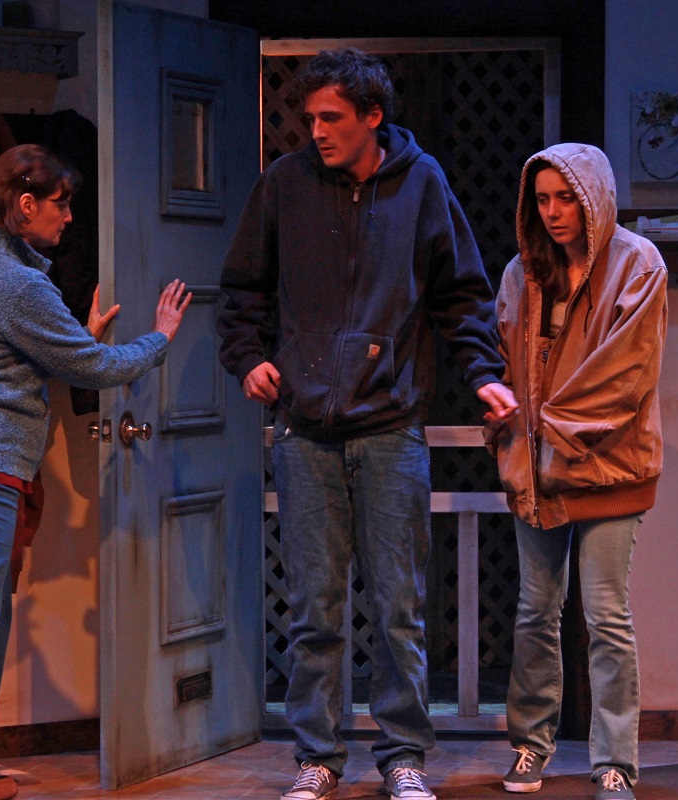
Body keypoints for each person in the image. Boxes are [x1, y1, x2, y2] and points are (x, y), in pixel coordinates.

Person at [217, 48, 518, 800]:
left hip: (390, 426)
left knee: (398, 607)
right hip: (305, 430)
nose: (314, 131)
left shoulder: (422, 185)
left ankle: (403, 756)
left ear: (372, 117)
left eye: (331, 118)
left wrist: (483, 374)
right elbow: (242, 289)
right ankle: (317, 757)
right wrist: (248, 358)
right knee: (316, 607)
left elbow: (462, 295)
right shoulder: (284, 185)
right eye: (309, 117)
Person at [0, 143, 191, 800]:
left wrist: (74, 335)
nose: (69, 217)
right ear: (26, 205)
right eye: (61, 203)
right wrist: (160, 339)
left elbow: (16, 356)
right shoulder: (18, 283)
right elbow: (96, 369)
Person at [483, 143, 667, 800]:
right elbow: (505, 357)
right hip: (538, 472)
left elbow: (625, 374)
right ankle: (530, 746)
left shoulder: (639, 264)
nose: (555, 212)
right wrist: (505, 419)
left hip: (610, 471)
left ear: (594, 197)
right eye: (543, 199)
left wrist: (544, 424)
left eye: (567, 198)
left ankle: (614, 759)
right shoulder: (522, 273)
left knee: (605, 613)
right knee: (536, 611)